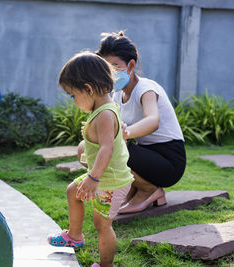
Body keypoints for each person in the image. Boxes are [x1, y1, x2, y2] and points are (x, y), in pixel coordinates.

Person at [78, 31, 186, 214]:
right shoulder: (117, 94)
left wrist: (124, 133)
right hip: (145, 156)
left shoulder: (146, 88)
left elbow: (153, 121)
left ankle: (149, 189)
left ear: (131, 65)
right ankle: (133, 190)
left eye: (115, 66)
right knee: (84, 148)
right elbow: (109, 124)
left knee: (114, 146)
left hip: (169, 161)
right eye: (106, 68)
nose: (110, 73)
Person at [47, 51, 134, 267]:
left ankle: (107, 265)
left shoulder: (104, 113)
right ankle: (75, 236)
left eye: (73, 95)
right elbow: (102, 140)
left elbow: (107, 147)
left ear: (88, 89)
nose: (74, 101)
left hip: (109, 182)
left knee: (102, 224)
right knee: (72, 192)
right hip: (102, 177)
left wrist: (93, 178)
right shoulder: (102, 110)